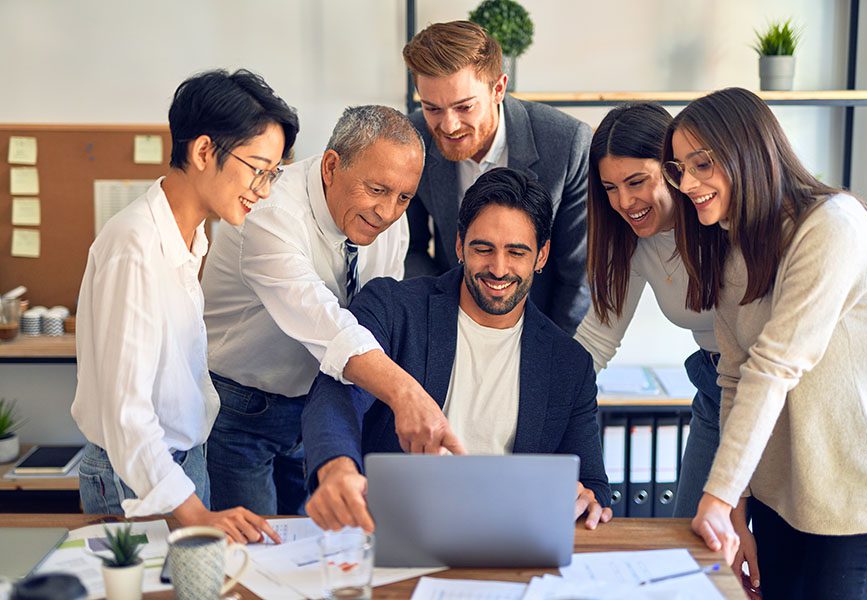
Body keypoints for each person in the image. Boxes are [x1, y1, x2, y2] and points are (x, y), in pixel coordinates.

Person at [665, 87, 867, 599]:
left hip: (846, 500)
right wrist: (738, 501)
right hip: (777, 494)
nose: (686, 184)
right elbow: (733, 376)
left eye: (701, 164)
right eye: (678, 169)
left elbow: (773, 369)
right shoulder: (733, 249)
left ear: (748, 151)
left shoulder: (832, 228)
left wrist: (716, 496)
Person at [302, 167, 612, 533]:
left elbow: (592, 482)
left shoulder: (568, 364)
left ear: (541, 256)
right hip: (393, 529)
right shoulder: (392, 307)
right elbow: (336, 395)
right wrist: (337, 468)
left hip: (508, 536)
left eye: (516, 252)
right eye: (483, 249)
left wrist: (589, 500)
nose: (499, 269)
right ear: (459, 244)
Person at [201, 105, 464, 516]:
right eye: (376, 190)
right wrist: (407, 393)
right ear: (330, 166)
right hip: (242, 410)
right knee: (254, 551)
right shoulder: (269, 210)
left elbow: (378, 317)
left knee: (314, 547)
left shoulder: (392, 220)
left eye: (404, 197)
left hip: (317, 407)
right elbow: (328, 325)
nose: (388, 212)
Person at [72, 69, 298, 543]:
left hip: (178, 464)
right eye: (258, 168)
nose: (264, 188)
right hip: (135, 474)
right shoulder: (133, 246)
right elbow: (126, 414)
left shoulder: (192, 236)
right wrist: (196, 513)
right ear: (202, 152)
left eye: (273, 173)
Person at [573, 104, 723, 518]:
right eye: (609, 188)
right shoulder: (632, 243)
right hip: (715, 392)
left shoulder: (722, 222)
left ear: (674, 169)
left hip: (767, 393)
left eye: (636, 181)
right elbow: (597, 339)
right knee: (690, 537)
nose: (624, 202)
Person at [401, 20, 591, 334]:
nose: (448, 126)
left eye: (464, 107)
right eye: (432, 108)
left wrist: (550, 349)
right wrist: (443, 322)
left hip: (542, 322)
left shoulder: (567, 142)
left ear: (498, 89)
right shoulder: (412, 138)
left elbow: (578, 275)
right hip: (448, 319)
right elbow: (411, 249)